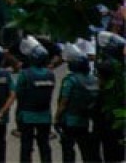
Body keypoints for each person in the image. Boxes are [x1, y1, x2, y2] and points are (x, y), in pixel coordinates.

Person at [0, 43, 54, 163]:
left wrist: (9, 112)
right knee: (44, 145)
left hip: (27, 115)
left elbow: (18, 93)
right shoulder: (50, 74)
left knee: (26, 145)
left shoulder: (25, 74)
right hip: (44, 115)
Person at [54, 45, 99, 162]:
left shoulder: (70, 80)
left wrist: (56, 117)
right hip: (84, 120)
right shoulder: (94, 79)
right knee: (85, 149)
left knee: (68, 149)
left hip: (69, 120)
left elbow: (64, 101)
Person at [93, 32, 125, 163]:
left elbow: (99, 86)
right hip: (120, 109)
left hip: (107, 110)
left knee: (107, 145)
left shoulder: (105, 66)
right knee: (118, 142)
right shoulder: (120, 64)